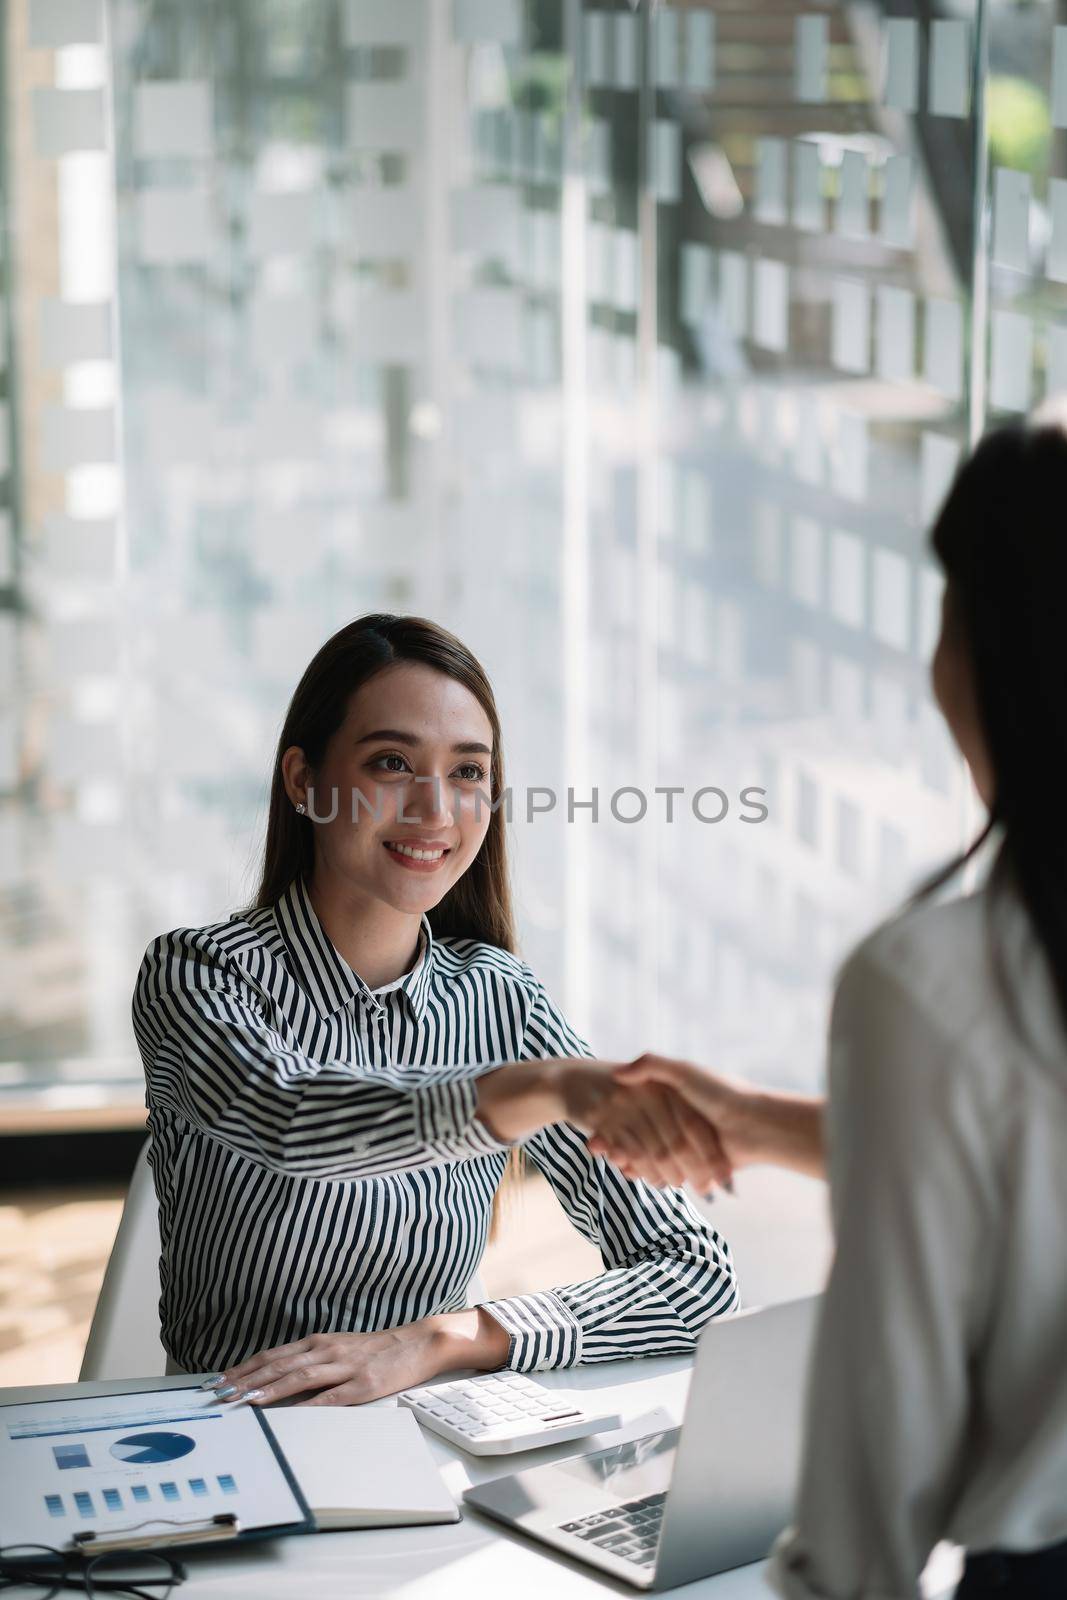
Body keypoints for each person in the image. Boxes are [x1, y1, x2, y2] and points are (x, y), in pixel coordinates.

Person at [591, 407, 1067, 1599]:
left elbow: (867, 1507)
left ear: (994, 654)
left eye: (947, 616)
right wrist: (757, 1122)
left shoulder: (932, 981)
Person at [131, 613, 738, 1404]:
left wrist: (448, 1338)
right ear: (303, 781)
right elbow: (286, 1117)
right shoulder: (199, 973)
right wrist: (535, 1091)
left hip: (438, 1433)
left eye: (467, 773)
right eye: (391, 762)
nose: (436, 811)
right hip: (235, 1429)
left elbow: (696, 1278)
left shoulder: (498, 999)